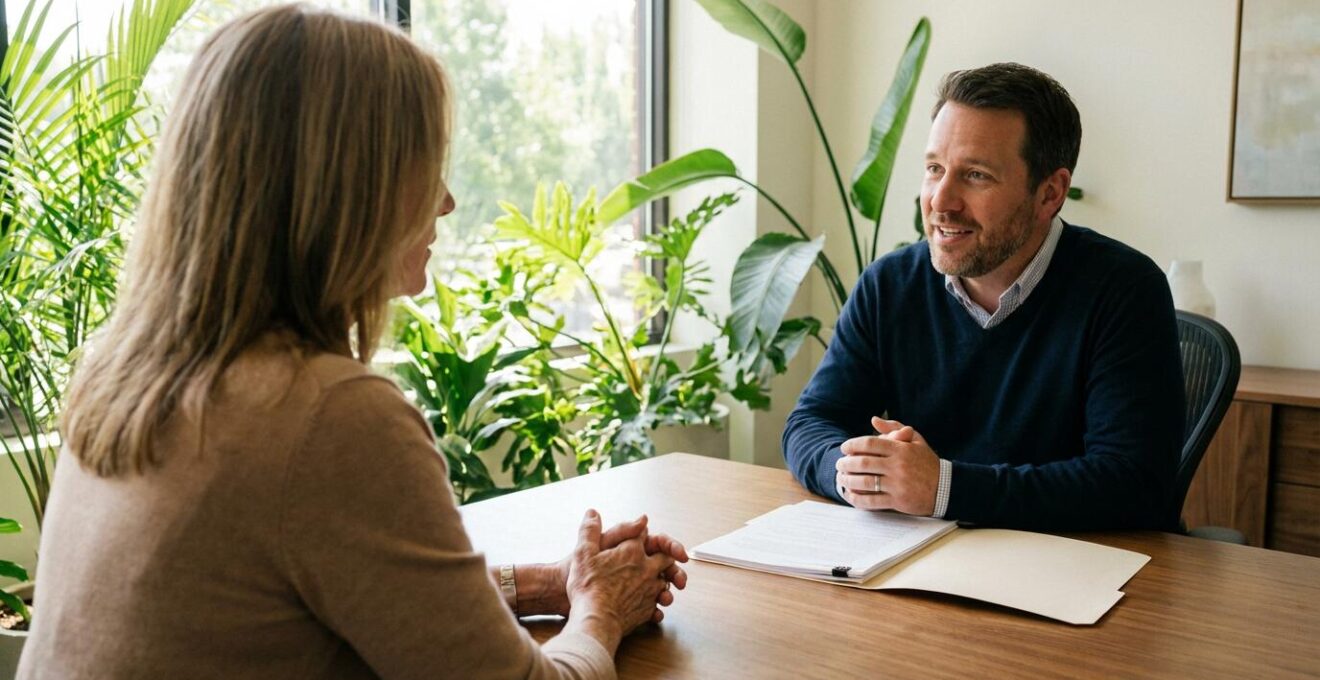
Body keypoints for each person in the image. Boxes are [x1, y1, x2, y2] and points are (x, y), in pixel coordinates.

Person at [19, 5, 687, 679]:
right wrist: (599, 611)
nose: (447, 201)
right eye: (424, 166)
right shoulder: (329, 416)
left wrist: (550, 583)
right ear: (348, 190)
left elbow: (345, 592)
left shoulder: (123, 379)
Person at [782, 62, 1184, 532]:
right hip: (927, 565)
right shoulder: (890, 285)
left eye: (976, 175)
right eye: (934, 169)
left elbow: (1133, 484)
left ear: (1050, 194)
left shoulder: (1124, 290)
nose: (940, 201)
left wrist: (945, 489)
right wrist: (858, 473)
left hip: (1080, 577)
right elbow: (811, 422)